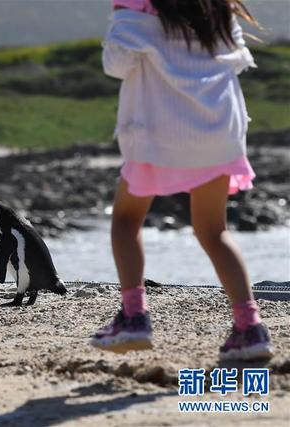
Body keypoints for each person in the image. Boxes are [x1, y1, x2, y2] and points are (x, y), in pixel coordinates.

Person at [90, 0, 274, 361]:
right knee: (214, 231)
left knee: (126, 221)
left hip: (159, 133)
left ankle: (133, 316)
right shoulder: (216, 9)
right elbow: (237, 59)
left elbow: (116, 65)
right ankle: (249, 327)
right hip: (217, 131)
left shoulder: (138, 7)